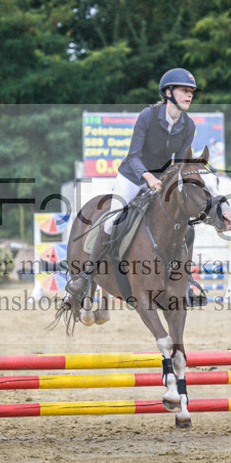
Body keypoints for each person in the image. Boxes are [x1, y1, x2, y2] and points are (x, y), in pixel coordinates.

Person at [64, 67, 201, 300]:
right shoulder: (147, 116)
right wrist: (148, 177)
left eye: (191, 91)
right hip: (132, 176)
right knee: (112, 222)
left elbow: (178, 163)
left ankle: (184, 281)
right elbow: (134, 155)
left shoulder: (188, 126)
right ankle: (85, 277)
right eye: (184, 90)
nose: (189, 95)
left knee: (186, 226)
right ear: (168, 92)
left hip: (160, 181)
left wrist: (169, 182)